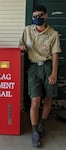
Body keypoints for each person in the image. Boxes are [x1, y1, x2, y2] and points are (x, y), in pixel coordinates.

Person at [19, 5, 61, 148]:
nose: (37, 18)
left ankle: (42, 124)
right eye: (35, 16)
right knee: (35, 101)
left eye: (40, 15)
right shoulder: (27, 30)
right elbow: (21, 43)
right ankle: (35, 131)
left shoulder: (53, 34)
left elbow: (55, 55)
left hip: (48, 66)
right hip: (33, 68)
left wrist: (54, 73)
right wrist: (21, 46)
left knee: (48, 98)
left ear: (46, 16)